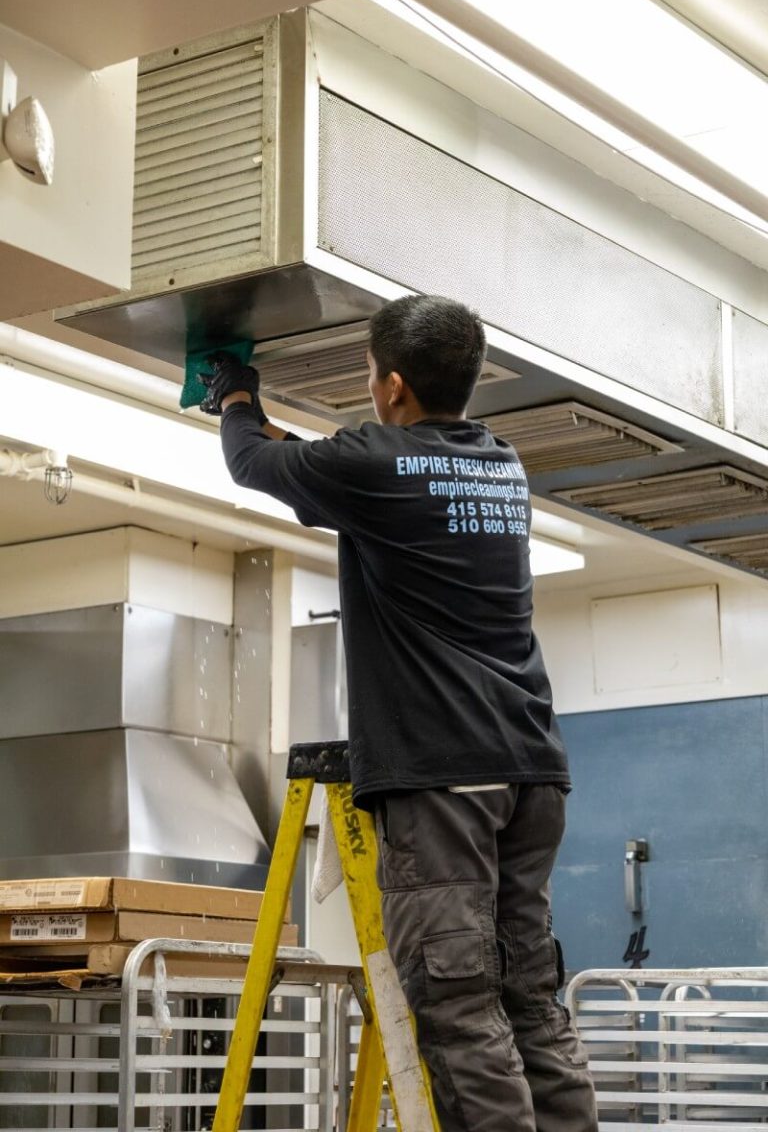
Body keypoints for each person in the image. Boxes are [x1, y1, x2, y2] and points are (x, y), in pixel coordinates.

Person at [201, 294, 598, 1132]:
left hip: (444, 777)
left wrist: (235, 393)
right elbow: (328, 462)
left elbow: (253, 462)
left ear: (387, 386)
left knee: (457, 1008)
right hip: (530, 771)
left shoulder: (373, 463)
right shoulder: (501, 461)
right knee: (528, 999)